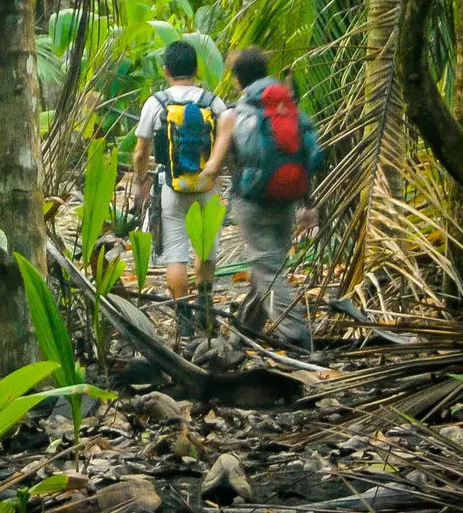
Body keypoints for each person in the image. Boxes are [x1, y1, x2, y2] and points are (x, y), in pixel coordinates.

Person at [202, 46, 323, 351]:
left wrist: (202, 178)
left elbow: (217, 164)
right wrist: (308, 204)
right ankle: (244, 329)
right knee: (269, 264)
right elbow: (308, 153)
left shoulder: (234, 113)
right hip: (288, 198)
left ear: (236, 79)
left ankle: (295, 332)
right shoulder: (289, 107)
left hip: (252, 201)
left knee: (268, 269)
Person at [130, 40, 227, 339]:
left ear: (166, 70)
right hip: (206, 185)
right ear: (196, 69)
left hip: (170, 187)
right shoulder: (213, 102)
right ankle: (205, 304)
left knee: (175, 253)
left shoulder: (156, 103)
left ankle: (183, 316)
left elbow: (140, 152)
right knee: (204, 246)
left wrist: (139, 181)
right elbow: (226, 143)